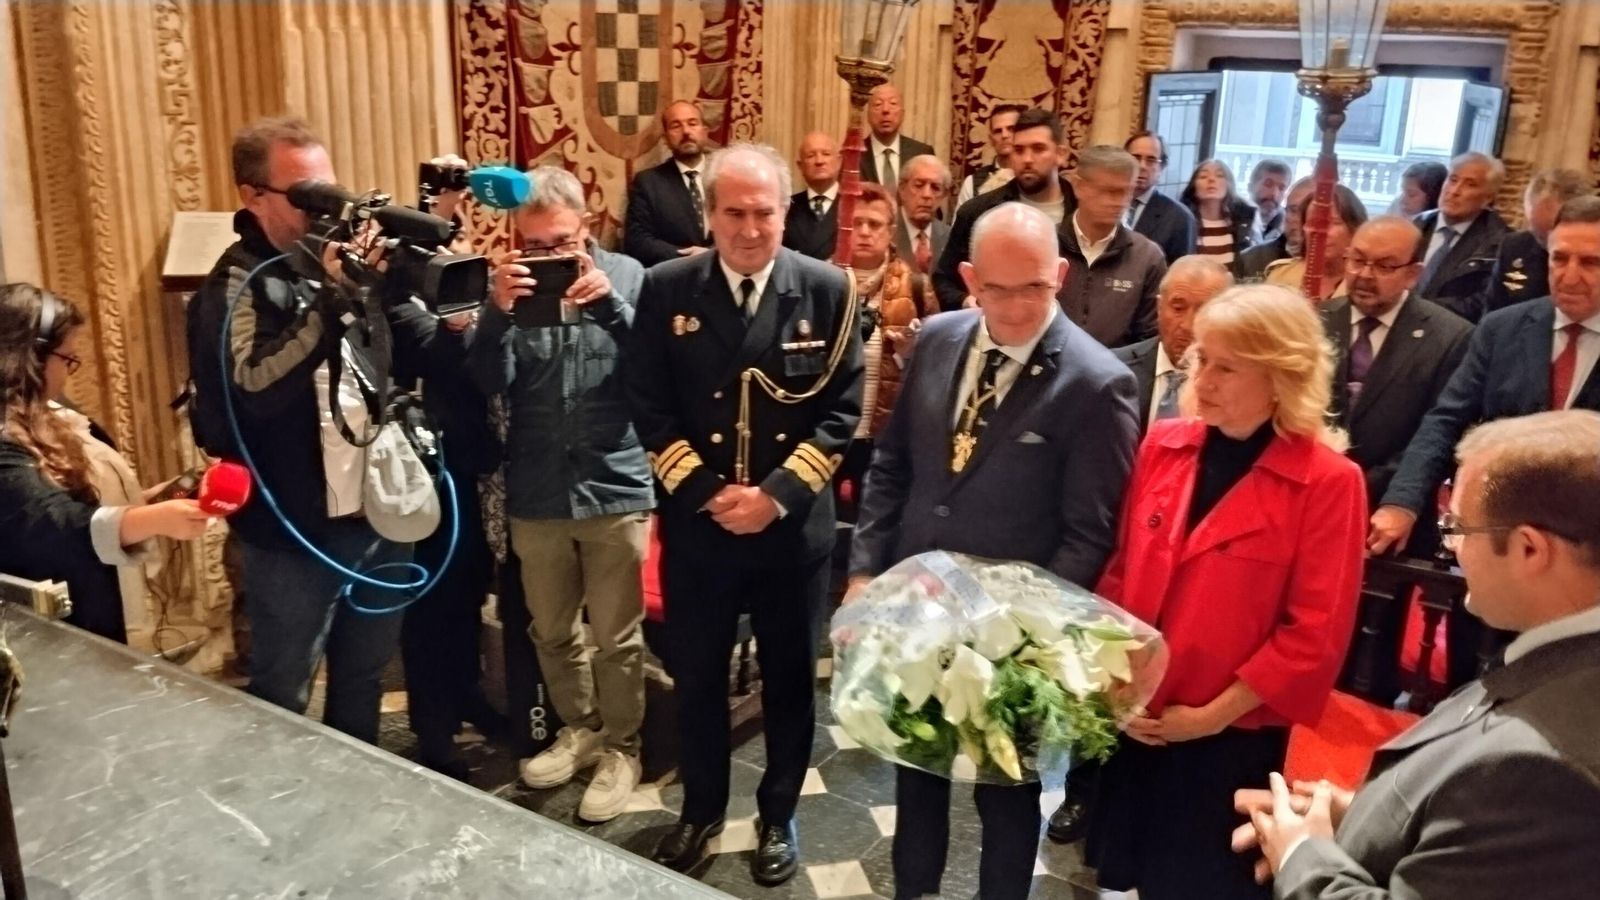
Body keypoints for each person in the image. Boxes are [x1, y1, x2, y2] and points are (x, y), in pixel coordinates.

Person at [847, 202, 1140, 900]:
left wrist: (1018, 640)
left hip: (1012, 648)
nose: (1014, 307)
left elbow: (1088, 534)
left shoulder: (1098, 382)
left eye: (1034, 288)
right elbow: (893, 466)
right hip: (916, 618)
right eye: (997, 289)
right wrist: (864, 572)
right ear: (971, 277)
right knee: (915, 789)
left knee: (1005, 806)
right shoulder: (939, 339)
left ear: (1061, 275)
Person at [1235, 409, 1600, 900]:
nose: (1452, 549)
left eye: (1457, 528)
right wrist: (1372, 819)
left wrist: (1303, 855)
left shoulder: (1541, 769)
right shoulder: (1564, 658)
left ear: (1530, 549)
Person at [625, 143, 864, 885]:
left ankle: (778, 813)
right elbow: (649, 405)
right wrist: (705, 494)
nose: (750, 228)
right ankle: (700, 811)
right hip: (701, 529)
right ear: (710, 214)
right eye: (734, 212)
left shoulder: (828, 289)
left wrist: (774, 498)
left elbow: (842, 411)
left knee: (791, 681)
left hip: (790, 533)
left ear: (785, 212)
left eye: (764, 212)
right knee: (696, 679)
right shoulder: (668, 288)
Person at [1083, 284, 1368, 900]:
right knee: (1130, 873)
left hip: (1227, 735)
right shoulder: (1165, 444)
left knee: (1202, 880)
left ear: (1280, 377)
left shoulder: (1328, 482)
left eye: (1225, 367)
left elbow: (1312, 634)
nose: (1202, 378)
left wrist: (1208, 718)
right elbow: (1120, 573)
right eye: (1199, 360)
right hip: (1141, 717)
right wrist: (1119, 685)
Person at [185, 116, 440, 744]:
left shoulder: (340, 265)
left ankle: (351, 804)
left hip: (375, 512)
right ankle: (284, 823)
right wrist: (331, 303)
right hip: (293, 533)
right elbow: (254, 390)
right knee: (284, 690)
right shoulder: (234, 283)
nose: (324, 208)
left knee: (364, 677)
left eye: (329, 188)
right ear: (253, 196)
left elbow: (403, 358)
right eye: (306, 195)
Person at [467, 167, 654, 823]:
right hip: (538, 485)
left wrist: (612, 308)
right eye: (536, 246)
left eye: (562, 243)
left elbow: (660, 372)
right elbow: (487, 379)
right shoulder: (510, 292)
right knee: (550, 630)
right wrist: (495, 313)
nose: (549, 257)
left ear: (589, 226)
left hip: (614, 481)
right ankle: (582, 729)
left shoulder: (632, 277)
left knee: (616, 637)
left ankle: (623, 749)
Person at [1368, 196, 1600, 682]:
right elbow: (1444, 421)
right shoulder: (1505, 328)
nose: (1569, 274)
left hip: (1586, 560)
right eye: (1559, 258)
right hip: (1494, 543)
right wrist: (1402, 502)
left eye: (1590, 262)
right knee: (1473, 679)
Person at [1, 283, 210, 642]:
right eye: (67, 359)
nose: (70, 372)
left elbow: (72, 502)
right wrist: (156, 519)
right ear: (30, 357)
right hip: (45, 637)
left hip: (83, 611)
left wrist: (148, 502)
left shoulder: (47, 414)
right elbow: (54, 524)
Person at [1322, 216, 1472, 554]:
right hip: (1311, 500)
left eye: (1385, 266)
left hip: (1389, 512)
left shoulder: (1450, 337)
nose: (1364, 275)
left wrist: (1374, 489)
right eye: (1358, 260)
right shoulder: (1314, 320)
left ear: (1413, 274)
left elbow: (1441, 433)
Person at [836, 183, 933, 515]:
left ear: (891, 231)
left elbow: (937, 365)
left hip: (885, 433)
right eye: (856, 221)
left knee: (876, 523)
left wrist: (910, 353)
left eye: (874, 224)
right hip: (827, 429)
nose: (863, 232)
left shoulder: (916, 285)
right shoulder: (819, 279)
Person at [934, 108, 1077, 311]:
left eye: (1038, 149)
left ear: (1060, 154)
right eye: (1019, 150)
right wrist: (967, 301)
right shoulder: (978, 212)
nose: (1027, 159)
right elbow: (944, 279)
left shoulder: (1082, 213)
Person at [1057, 144, 1166, 347]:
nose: (1120, 202)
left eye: (1127, 192)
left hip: (1117, 373)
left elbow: (1148, 341)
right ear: (1078, 186)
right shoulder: (1046, 245)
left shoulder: (1147, 257)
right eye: (1109, 191)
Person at [1113, 256, 1235, 436]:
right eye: (1178, 308)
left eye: (1204, 311)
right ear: (1159, 307)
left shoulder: (1234, 386)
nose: (1188, 325)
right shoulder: (1114, 369)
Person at [1412, 152, 1510, 322]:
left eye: (1470, 184)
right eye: (1453, 180)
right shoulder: (1418, 224)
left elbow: (1484, 302)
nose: (1454, 191)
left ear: (1488, 198)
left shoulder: (1500, 243)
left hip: (1450, 333)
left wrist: (1417, 312)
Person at [1482, 168, 1589, 315]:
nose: (1548, 245)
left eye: (1553, 230)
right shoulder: (1515, 247)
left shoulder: (1593, 253)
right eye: (1538, 233)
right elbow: (1491, 315)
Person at [623, 100, 713, 266]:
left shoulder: (726, 176)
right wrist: (688, 258)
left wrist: (713, 254)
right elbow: (637, 241)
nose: (686, 131)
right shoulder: (649, 183)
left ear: (705, 132)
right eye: (676, 126)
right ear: (665, 139)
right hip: (675, 279)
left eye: (692, 123)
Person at [1265, 185, 1369, 304]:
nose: (1320, 232)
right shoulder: (1281, 275)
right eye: (1313, 223)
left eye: (1332, 223)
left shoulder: (1367, 283)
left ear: (1355, 228)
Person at [1124, 130, 1198, 263]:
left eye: (1151, 160)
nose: (1142, 166)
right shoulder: (1103, 203)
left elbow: (1181, 271)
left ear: (1162, 167)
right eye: (1136, 157)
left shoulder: (1179, 217)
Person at [1182, 159, 1256, 271]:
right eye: (1203, 176)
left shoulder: (1244, 222)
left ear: (1229, 184)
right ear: (1193, 186)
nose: (1211, 180)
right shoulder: (1182, 222)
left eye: (1219, 175)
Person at [860, 84, 935, 188]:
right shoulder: (852, 155)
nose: (885, 110)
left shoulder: (922, 153)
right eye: (878, 104)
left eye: (893, 103)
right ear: (868, 115)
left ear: (902, 114)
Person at [1238, 178, 1314, 281]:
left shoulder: (1341, 269)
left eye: (1311, 212)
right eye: (1294, 210)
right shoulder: (1250, 260)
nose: (1301, 219)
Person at [782, 131, 841, 261]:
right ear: (800, 166)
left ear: (839, 161)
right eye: (810, 156)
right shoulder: (786, 207)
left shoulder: (854, 205)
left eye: (826, 154)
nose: (819, 161)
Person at [955, 104, 1024, 207]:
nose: (1004, 135)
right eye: (998, 131)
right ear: (991, 139)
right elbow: (961, 222)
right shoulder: (972, 183)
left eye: (1011, 129)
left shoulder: (1035, 177)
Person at [894, 154, 953, 274]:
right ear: (902, 189)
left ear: (944, 196)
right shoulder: (884, 231)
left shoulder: (951, 238)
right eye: (919, 185)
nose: (927, 195)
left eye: (935, 188)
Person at [1248, 160, 1293, 246]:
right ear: (1250, 187)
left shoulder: (1289, 227)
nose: (1274, 194)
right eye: (1268, 184)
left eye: (1281, 188)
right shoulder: (1233, 220)